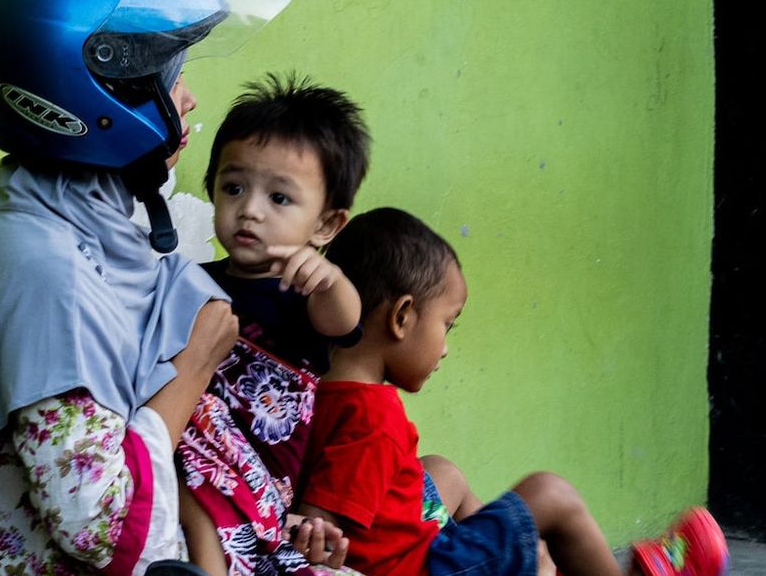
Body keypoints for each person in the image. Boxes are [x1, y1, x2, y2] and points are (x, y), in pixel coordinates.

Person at [0, 0, 292, 575]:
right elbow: (105, 529)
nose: (189, 97)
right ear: (102, 91)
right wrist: (191, 369)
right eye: (170, 75)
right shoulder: (43, 264)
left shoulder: (75, 209)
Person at [297, 208, 732, 576]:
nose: (445, 348)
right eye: (446, 326)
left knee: (441, 470)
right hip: (425, 567)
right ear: (402, 317)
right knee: (551, 493)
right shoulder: (372, 417)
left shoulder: (319, 387)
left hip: (405, 545)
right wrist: (315, 533)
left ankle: (522, 557)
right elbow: (325, 520)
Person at [176, 73, 371, 576]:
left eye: (279, 198)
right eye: (234, 187)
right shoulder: (190, 282)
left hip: (265, 484)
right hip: (195, 469)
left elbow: (345, 321)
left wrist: (327, 280)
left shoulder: (307, 295)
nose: (250, 211)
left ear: (326, 225)